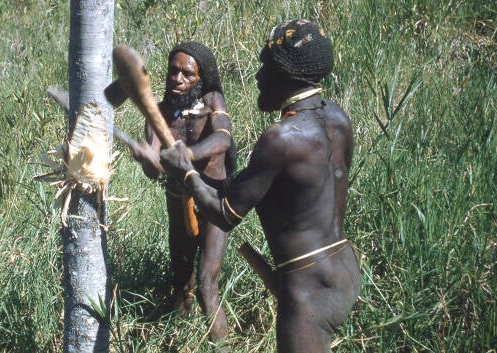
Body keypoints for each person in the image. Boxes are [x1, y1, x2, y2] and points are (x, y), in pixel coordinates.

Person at [159, 20, 361, 353]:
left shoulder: (281, 137)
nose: (257, 77)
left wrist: (185, 171)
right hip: (344, 271)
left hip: (308, 292)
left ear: (286, 75)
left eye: (264, 66)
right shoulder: (338, 118)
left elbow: (223, 215)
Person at [131, 41, 237, 343]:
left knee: (206, 284)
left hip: (214, 202)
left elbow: (222, 140)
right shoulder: (159, 112)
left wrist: (186, 155)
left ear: (201, 77)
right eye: (173, 72)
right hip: (177, 201)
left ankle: (222, 348)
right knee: (181, 282)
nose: (177, 79)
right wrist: (147, 159)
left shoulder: (213, 100)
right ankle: (178, 341)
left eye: (186, 74)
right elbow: (155, 170)